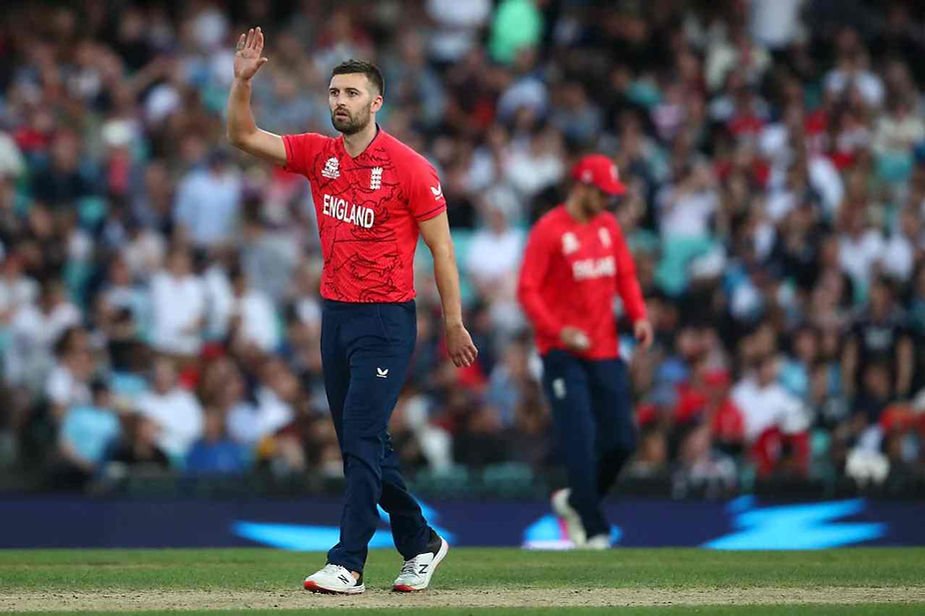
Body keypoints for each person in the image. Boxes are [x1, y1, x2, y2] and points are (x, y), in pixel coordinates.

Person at [226, 27, 477, 594]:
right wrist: (241, 83)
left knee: (362, 436)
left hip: (387, 321)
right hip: (335, 317)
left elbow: (442, 249)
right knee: (363, 443)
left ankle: (349, 561)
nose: (340, 101)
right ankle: (422, 541)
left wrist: (454, 321)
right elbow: (242, 135)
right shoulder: (320, 155)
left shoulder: (410, 168)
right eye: (335, 92)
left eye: (352, 93)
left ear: (376, 102)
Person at [517, 154, 653, 549]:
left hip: (605, 348)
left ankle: (577, 500)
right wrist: (560, 332)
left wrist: (639, 315)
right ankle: (594, 530)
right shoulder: (549, 230)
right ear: (583, 186)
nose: (609, 201)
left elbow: (624, 274)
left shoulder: (608, 227)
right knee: (578, 434)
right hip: (561, 351)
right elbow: (528, 290)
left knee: (622, 440)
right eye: (604, 193)